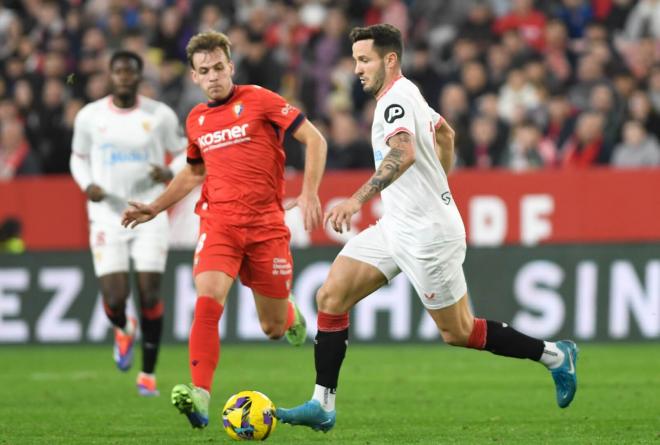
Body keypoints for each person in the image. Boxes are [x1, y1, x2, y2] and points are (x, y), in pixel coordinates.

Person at [275, 24, 579, 433]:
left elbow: (402, 152)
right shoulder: (409, 93)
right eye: (354, 61)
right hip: (397, 225)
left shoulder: (394, 101)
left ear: (390, 59)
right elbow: (446, 135)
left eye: (364, 60)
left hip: (429, 237)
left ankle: (555, 355)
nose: (357, 69)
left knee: (459, 332)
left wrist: (357, 199)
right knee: (330, 296)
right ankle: (322, 404)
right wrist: (439, 183)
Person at [121, 31, 327, 429]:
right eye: (204, 71)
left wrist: (310, 193)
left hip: (266, 226)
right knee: (208, 300)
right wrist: (154, 207)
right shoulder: (196, 119)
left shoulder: (260, 99)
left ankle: (289, 315)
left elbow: (314, 139)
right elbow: (194, 172)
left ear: (230, 66)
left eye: (219, 67)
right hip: (219, 224)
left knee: (271, 326)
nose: (213, 76)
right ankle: (200, 395)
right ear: (194, 77)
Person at [70, 50, 185, 397]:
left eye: (130, 72)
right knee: (115, 298)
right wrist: (86, 184)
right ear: (110, 75)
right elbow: (78, 158)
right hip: (107, 213)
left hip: (149, 211)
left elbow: (183, 151)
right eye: (118, 71)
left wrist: (170, 171)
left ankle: (147, 374)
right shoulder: (90, 116)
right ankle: (124, 326)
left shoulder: (159, 114)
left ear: (138, 76)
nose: (123, 77)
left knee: (150, 293)